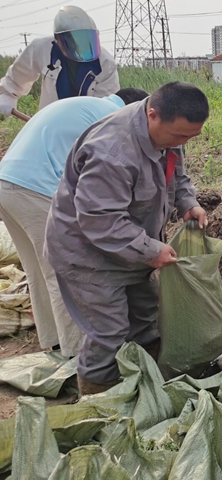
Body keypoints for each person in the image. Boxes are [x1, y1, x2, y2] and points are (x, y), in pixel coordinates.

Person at [44, 82, 209, 395]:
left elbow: (177, 173)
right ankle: (100, 400)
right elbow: (100, 220)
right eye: (179, 136)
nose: (183, 143)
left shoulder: (170, 133)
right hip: (87, 255)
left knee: (146, 316)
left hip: (132, 248)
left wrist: (188, 202)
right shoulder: (111, 153)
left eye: (191, 137)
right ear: (153, 114)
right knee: (109, 333)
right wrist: (152, 250)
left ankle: (146, 387)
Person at [0, 88, 148, 358]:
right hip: (37, 189)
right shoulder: (114, 118)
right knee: (63, 270)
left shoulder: (85, 106)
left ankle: (53, 340)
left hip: (7, 183)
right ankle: (75, 353)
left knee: (37, 269)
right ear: (136, 108)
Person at [0, 6, 119, 115]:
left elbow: (105, 107)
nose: (80, 46)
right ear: (58, 39)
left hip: (87, 124)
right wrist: (8, 94)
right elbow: (20, 73)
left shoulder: (105, 64)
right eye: (74, 41)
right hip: (49, 119)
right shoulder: (41, 48)